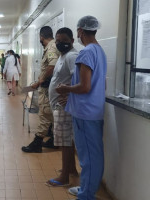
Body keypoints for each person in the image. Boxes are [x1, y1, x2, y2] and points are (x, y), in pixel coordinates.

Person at [56, 16, 106, 200]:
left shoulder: (86, 52)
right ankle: (86, 188)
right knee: (92, 154)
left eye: (77, 31)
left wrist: (65, 89)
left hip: (85, 112)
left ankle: (86, 194)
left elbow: (85, 86)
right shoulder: (99, 51)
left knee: (88, 158)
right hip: (93, 110)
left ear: (80, 31)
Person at [45, 27, 78, 187]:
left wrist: (70, 96)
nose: (60, 43)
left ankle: (64, 176)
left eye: (64, 41)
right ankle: (71, 169)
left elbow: (77, 78)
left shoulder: (72, 56)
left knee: (64, 141)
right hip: (58, 104)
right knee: (67, 139)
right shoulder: (62, 55)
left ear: (72, 41)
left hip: (63, 105)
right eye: (57, 41)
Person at [22, 26, 60, 153]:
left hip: (48, 88)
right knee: (52, 114)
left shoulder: (51, 47)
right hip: (51, 87)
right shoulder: (53, 46)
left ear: (41, 37)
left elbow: (52, 66)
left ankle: (37, 144)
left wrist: (40, 81)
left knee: (44, 114)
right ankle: (54, 140)